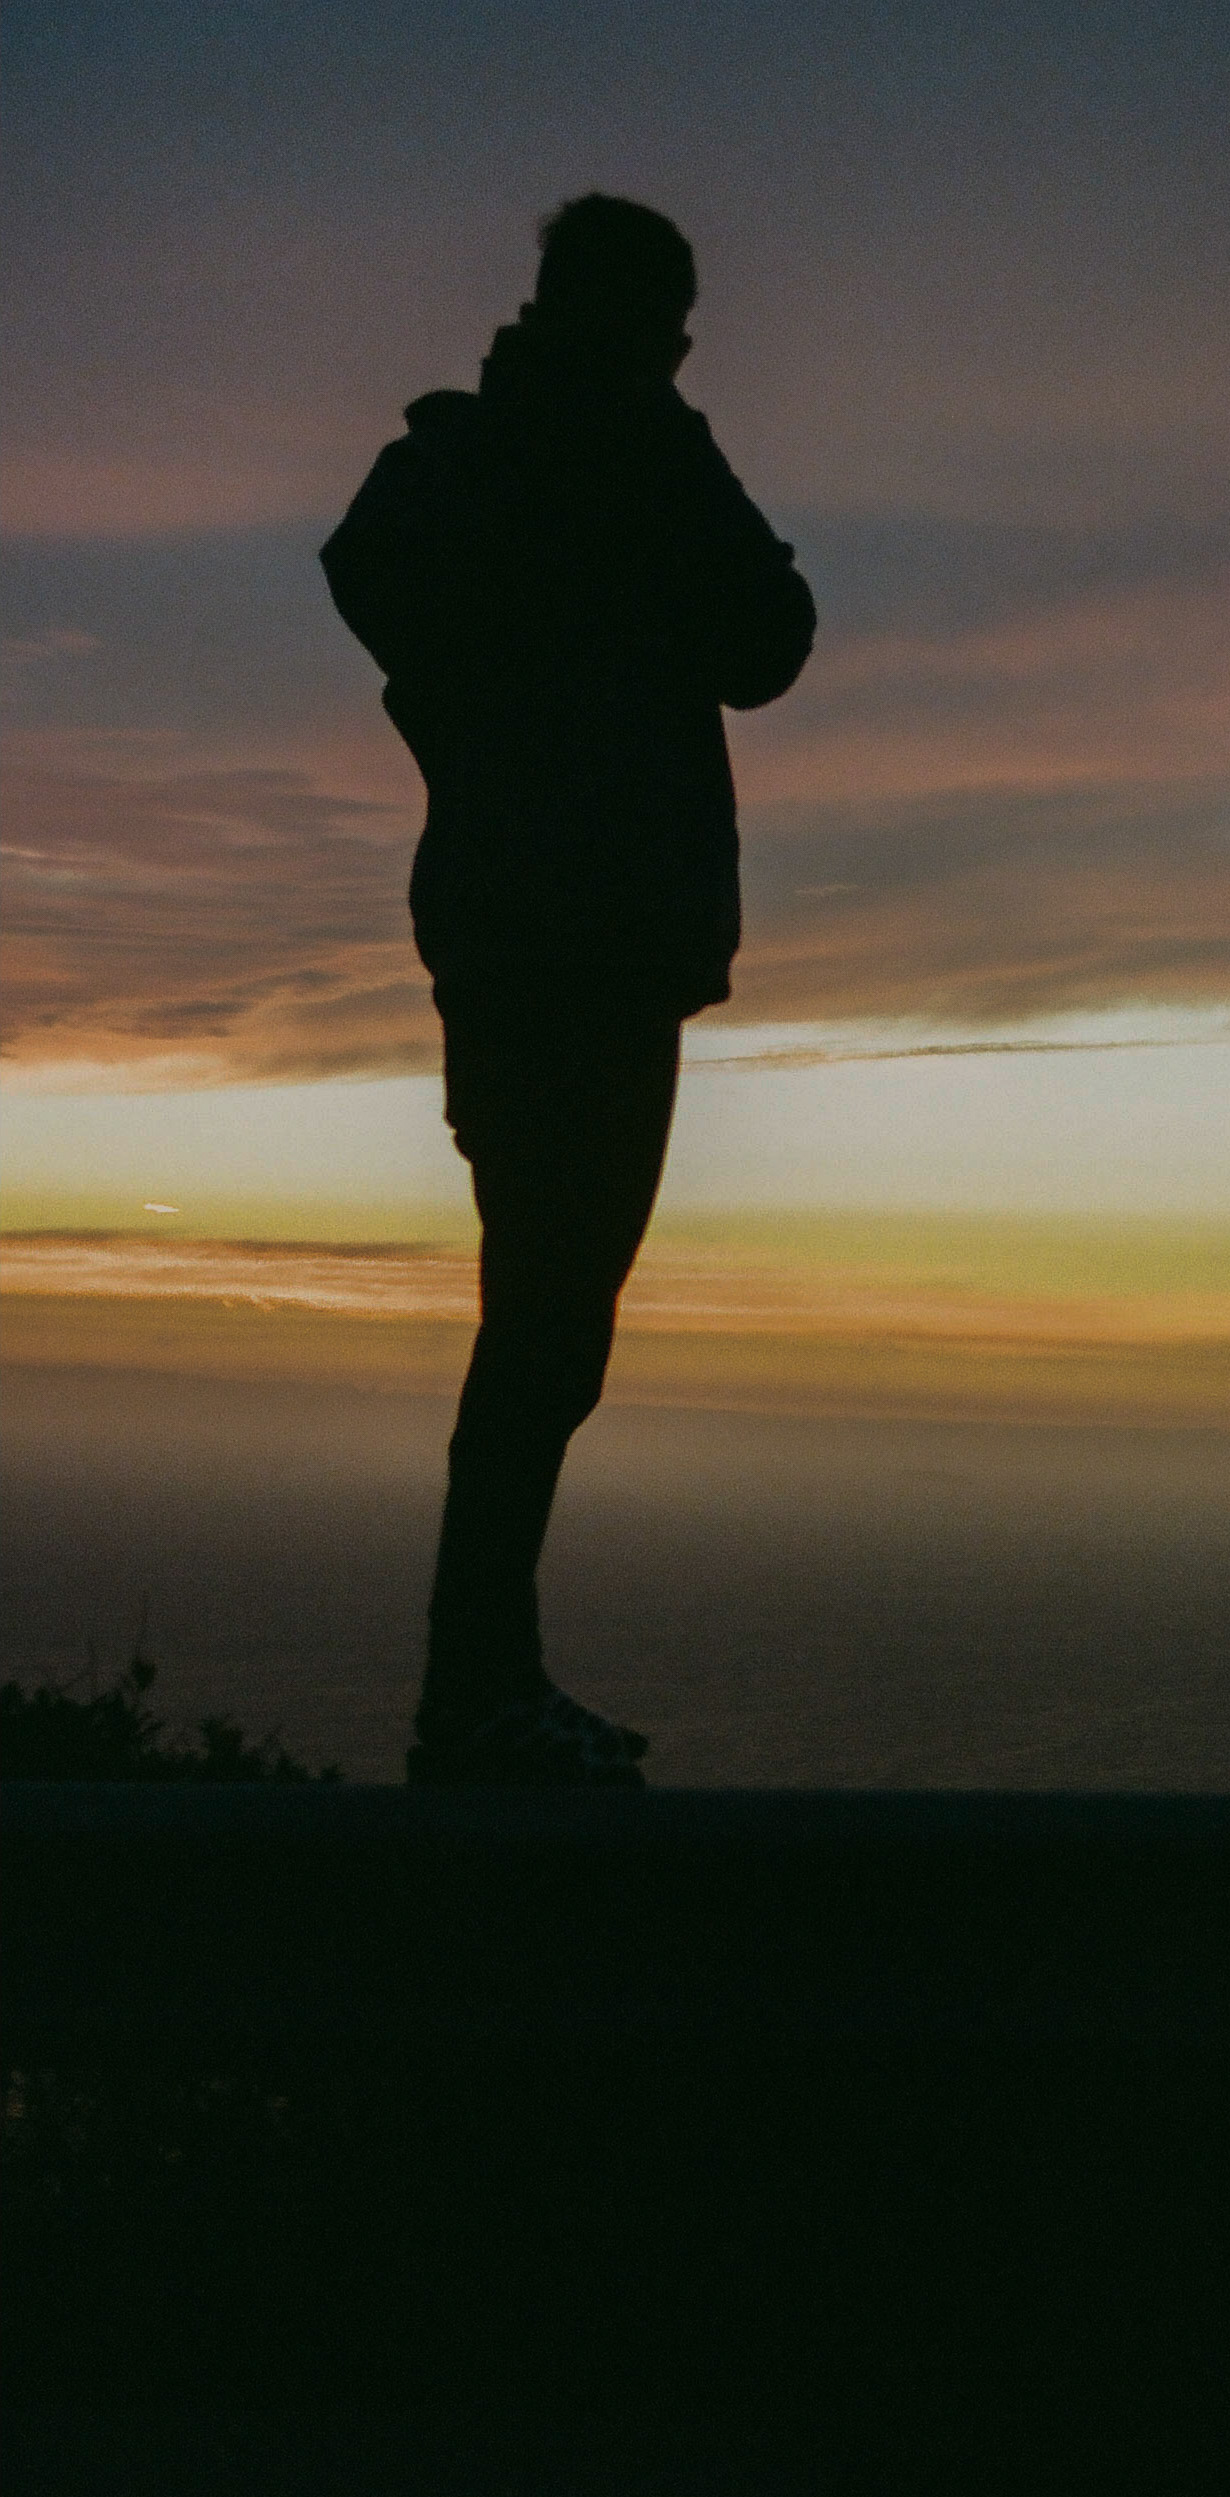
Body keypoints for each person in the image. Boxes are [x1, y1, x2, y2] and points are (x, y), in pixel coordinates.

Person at [321, 194, 815, 1783]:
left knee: (546, 1315)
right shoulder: (564, 457)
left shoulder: (487, 456)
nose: (674, 359)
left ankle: (481, 1682)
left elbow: (764, 641)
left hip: (540, 933)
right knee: (546, 1315)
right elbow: (770, 633)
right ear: (635, 322)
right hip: (571, 943)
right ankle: (474, 1694)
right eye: (666, 335)